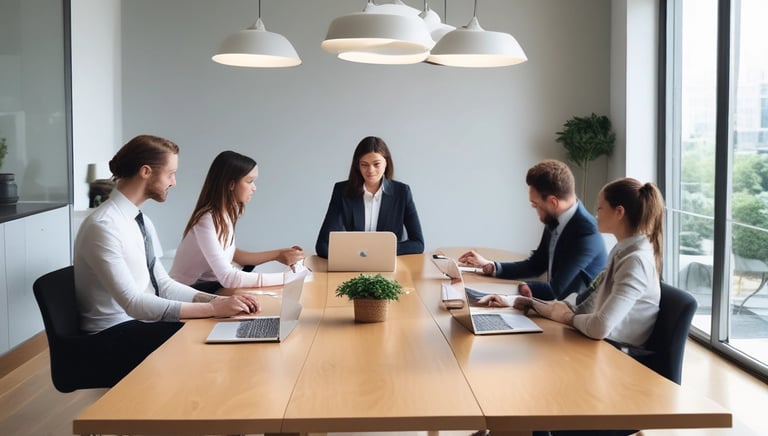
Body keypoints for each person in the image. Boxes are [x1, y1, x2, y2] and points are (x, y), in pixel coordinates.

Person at [478, 178, 665, 436]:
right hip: (600, 350)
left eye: (600, 208)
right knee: (518, 369)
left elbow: (599, 326)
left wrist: (567, 318)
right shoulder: (622, 252)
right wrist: (527, 304)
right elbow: (582, 302)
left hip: (619, 366)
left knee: (524, 377)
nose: (595, 213)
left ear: (619, 212)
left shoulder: (636, 262)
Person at [74, 135, 260, 385]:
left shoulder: (140, 221)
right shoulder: (104, 226)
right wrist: (213, 309)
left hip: (138, 322)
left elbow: (163, 284)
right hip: (111, 336)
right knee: (205, 335)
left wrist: (222, 301)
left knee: (221, 325)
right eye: (170, 173)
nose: (174, 182)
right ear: (146, 172)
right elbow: (134, 303)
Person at [459, 159, 607, 301]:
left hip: (574, 319)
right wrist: (491, 266)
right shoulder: (556, 217)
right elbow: (536, 265)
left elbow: (555, 290)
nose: (534, 209)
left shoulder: (587, 233)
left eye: (535, 205)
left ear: (553, 202)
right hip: (554, 310)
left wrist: (507, 294)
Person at [170, 150, 304, 294]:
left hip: (212, 283)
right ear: (231, 184)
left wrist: (279, 254)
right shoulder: (207, 219)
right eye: (249, 181)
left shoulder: (226, 214)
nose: (254, 188)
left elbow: (234, 255)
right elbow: (228, 278)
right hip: (187, 291)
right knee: (255, 295)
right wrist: (286, 278)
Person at [315, 136, 424, 258]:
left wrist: (379, 251)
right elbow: (322, 244)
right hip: (353, 263)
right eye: (364, 165)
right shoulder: (342, 191)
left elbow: (418, 243)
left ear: (386, 163)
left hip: (388, 264)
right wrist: (351, 255)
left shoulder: (402, 192)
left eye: (376, 164)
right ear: (358, 166)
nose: (370, 170)